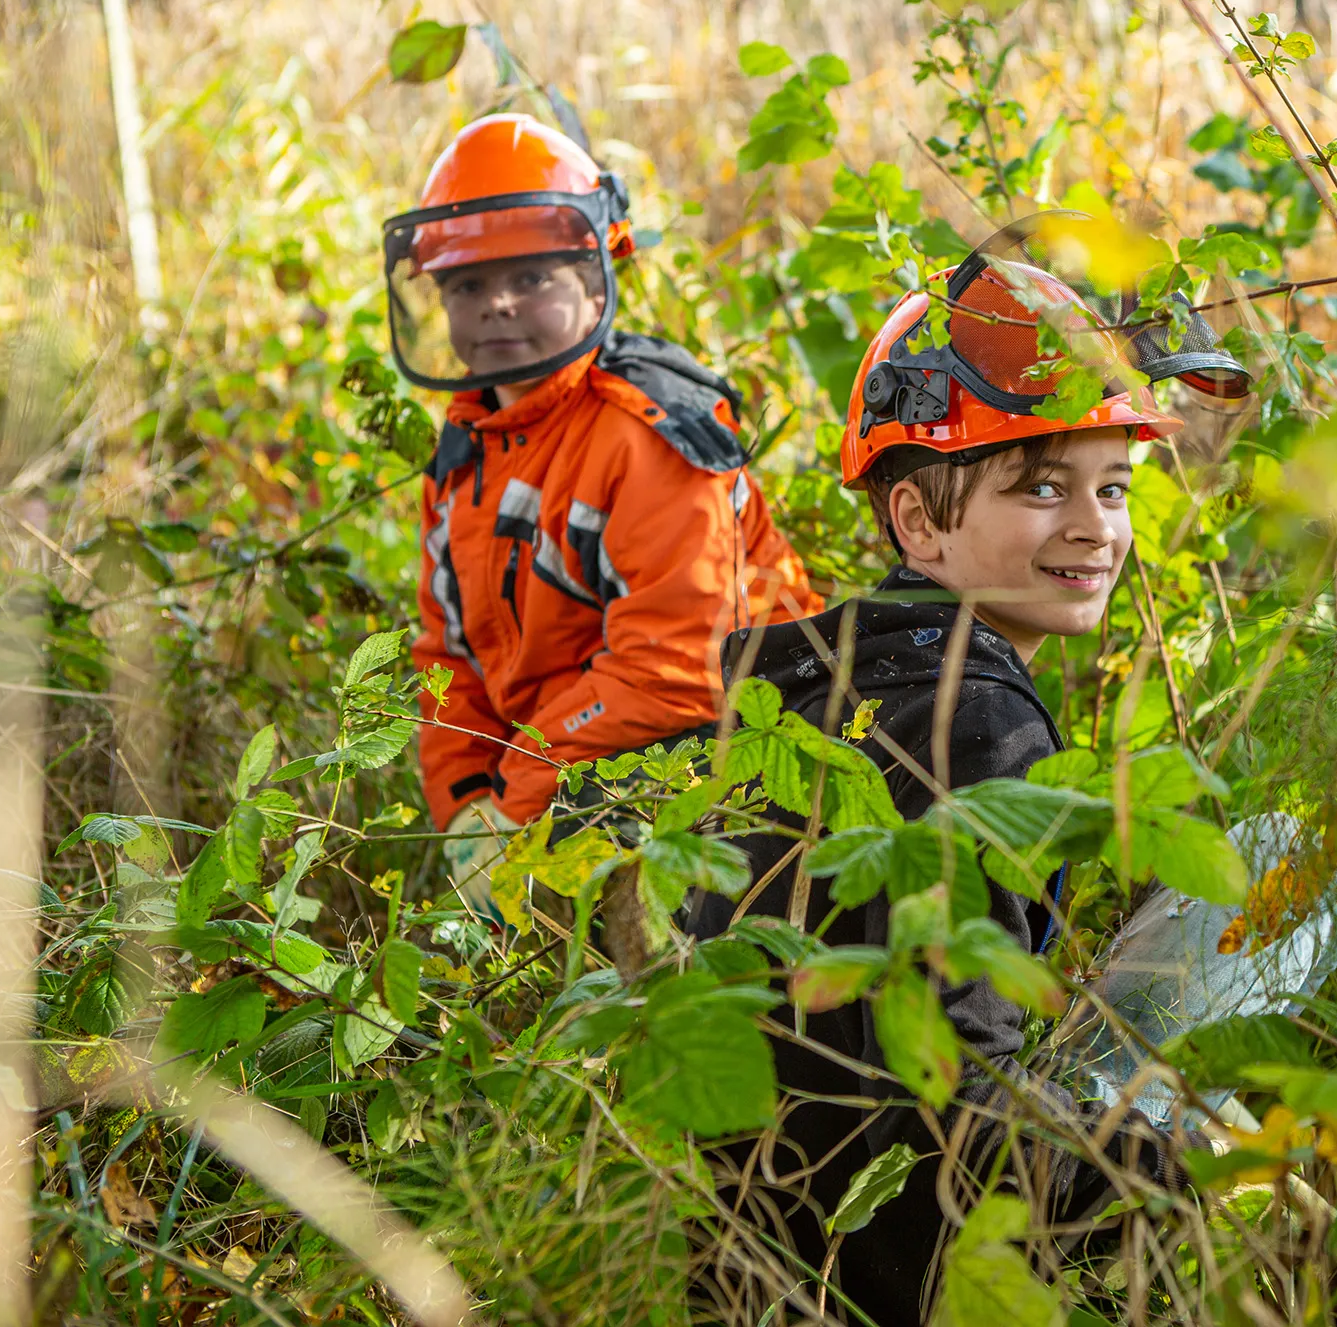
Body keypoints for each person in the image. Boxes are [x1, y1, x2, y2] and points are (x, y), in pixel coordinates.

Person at [684, 219, 1247, 1324]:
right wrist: (1169, 1184)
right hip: (893, 1276)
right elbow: (941, 1109)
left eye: (1115, 487)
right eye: (1042, 487)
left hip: (751, 1259)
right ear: (915, 521)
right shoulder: (974, 724)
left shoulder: (816, 691)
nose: (1093, 527)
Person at [381, 113, 820, 933]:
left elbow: (676, 672)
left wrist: (516, 797)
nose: (499, 304)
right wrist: (465, 807)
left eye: (533, 278)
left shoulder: (643, 434)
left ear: (596, 279)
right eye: (468, 285)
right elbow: (449, 657)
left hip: (725, 757)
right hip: (563, 757)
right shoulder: (466, 450)